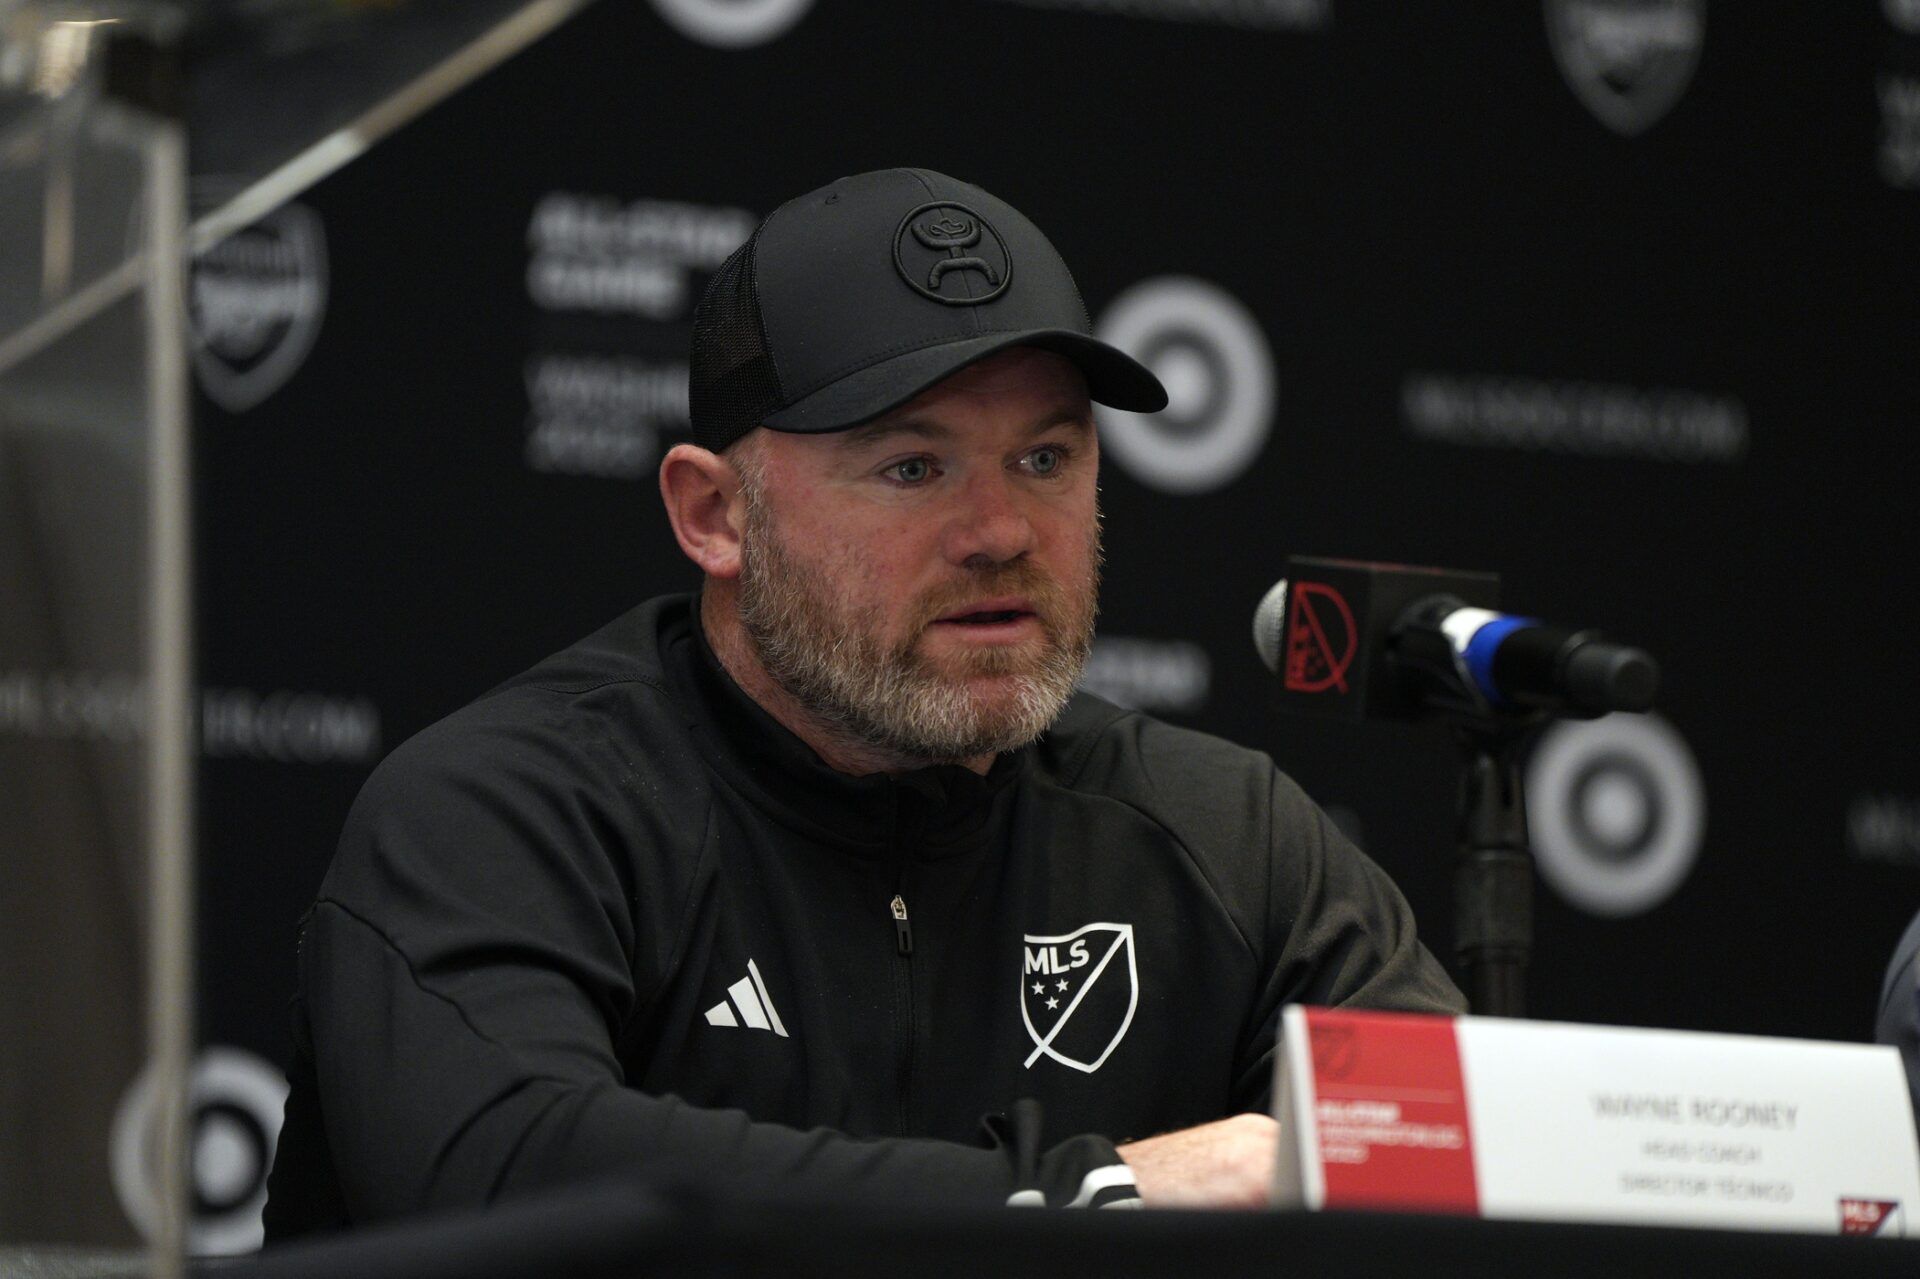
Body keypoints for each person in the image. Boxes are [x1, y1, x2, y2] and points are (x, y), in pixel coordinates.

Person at [262, 168, 1463, 1235]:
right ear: (715, 515)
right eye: (911, 467)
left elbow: (1480, 1168)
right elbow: (511, 1179)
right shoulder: (507, 811)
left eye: (1046, 459)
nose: (1000, 532)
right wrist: (1081, 1201)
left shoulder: (1227, 841)